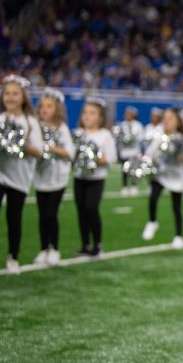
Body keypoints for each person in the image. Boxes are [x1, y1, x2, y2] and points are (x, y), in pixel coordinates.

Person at [0, 75, 42, 273]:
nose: (10, 97)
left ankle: (13, 257)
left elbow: (39, 151)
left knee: (14, 218)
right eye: (7, 93)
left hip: (20, 178)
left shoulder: (31, 122)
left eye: (15, 93)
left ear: (23, 97)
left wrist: (18, 141)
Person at [72, 97, 118, 257]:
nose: (87, 116)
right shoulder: (78, 133)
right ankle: (85, 244)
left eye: (92, 113)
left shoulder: (105, 135)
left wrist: (91, 158)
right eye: (85, 112)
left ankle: (97, 245)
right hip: (79, 177)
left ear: (100, 117)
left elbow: (111, 158)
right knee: (81, 211)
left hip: (96, 179)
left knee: (91, 209)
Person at [32, 89, 72, 266]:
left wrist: (49, 147)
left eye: (49, 106)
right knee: (42, 215)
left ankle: (54, 249)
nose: (45, 110)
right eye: (42, 106)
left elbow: (69, 152)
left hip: (58, 178)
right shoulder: (34, 126)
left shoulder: (61, 128)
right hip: (40, 178)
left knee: (51, 214)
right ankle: (43, 249)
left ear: (57, 109)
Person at [141, 107, 183, 249]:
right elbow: (149, 153)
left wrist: (182, 157)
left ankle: (179, 236)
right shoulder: (158, 135)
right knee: (153, 197)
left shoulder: (181, 138)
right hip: (161, 173)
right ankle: (152, 221)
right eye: (165, 118)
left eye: (171, 119)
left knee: (176, 206)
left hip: (176, 175)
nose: (167, 121)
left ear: (177, 121)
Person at [116, 106, 144, 196]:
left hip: (134, 151)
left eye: (129, 114)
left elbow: (141, 138)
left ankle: (134, 186)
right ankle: (124, 186)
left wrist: (132, 138)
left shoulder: (138, 125)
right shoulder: (121, 125)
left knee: (134, 169)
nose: (127, 115)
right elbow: (118, 138)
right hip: (124, 151)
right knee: (124, 170)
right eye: (126, 113)